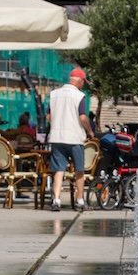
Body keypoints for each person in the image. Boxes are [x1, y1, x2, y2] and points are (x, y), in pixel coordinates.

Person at [45, 66, 93, 211]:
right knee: (79, 170)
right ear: (79, 81)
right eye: (83, 82)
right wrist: (89, 130)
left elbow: (48, 116)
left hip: (57, 137)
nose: (83, 84)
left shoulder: (54, 94)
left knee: (58, 169)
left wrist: (55, 126)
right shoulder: (79, 96)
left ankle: (57, 200)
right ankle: (80, 201)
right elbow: (83, 117)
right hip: (74, 137)